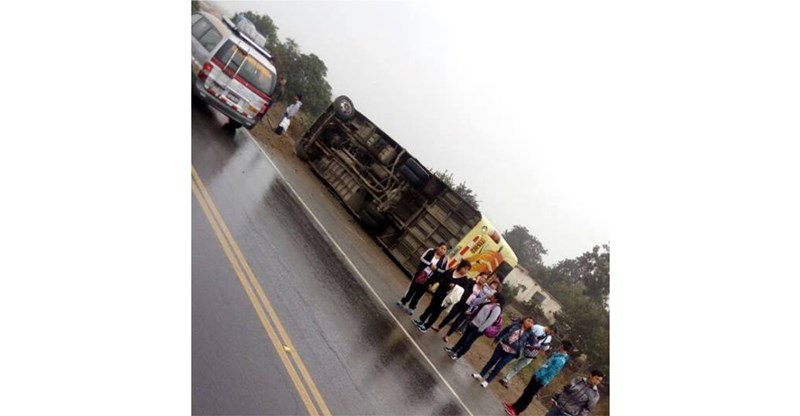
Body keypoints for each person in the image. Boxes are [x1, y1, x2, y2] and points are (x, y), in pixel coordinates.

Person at [502, 340, 573, 416]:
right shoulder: (557, 355)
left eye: (561, 344)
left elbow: (551, 372)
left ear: (563, 346)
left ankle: (517, 411)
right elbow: (546, 365)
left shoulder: (561, 360)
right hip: (538, 374)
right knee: (526, 391)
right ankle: (514, 406)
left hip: (540, 380)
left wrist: (540, 378)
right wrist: (537, 373)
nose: (559, 346)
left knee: (529, 395)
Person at [472, 317, 535, 388]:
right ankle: (481, 375)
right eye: (528, 320)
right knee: (492, 361)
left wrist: (531, 331)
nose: (529, 323)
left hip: (512, 353)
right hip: (502, 346)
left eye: (531, 322)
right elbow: (505, 330)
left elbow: (533, 343)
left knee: (499, 366)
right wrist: (497, 339)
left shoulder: (529, 334)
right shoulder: (515, 325)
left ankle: (487, 381)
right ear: (524, 320)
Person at [414, 260, 472, 332]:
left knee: (436, 312)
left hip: (446, 298)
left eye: (467, 269)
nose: (465, 270)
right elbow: (441, 277)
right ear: (461, 266)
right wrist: (435, 283)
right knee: (430, 307)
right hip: (439, 292)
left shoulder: (465, 280)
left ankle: (426, 326)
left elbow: (463, 292)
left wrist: (455, 287)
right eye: (464, 268)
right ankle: (421, 320)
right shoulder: (451, 271)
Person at [445, 292, 504, 360]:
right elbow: (476, 302)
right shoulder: (488, 303)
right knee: (463, 338)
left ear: (496, 299)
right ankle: (453, 350)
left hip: (479, 328)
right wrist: (485, 297)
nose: (491, 296)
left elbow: (491, 320)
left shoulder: (497, 308)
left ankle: (458, 355)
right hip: (473, 323)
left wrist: (481, 328)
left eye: (493, 296)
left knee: (467, 342)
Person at [397, 243, 449, 315]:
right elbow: (422, 258)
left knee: (420, 293)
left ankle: (412, 307)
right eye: (441, 248)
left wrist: (436, 269)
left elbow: (444, 271)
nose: (442, 250)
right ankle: (403, 301)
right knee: (412, 289)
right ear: (438, 247)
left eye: (444, 249)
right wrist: (430, 264)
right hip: (421, 274)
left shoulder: (445, 259)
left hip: (430, 278)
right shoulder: (431, 251)